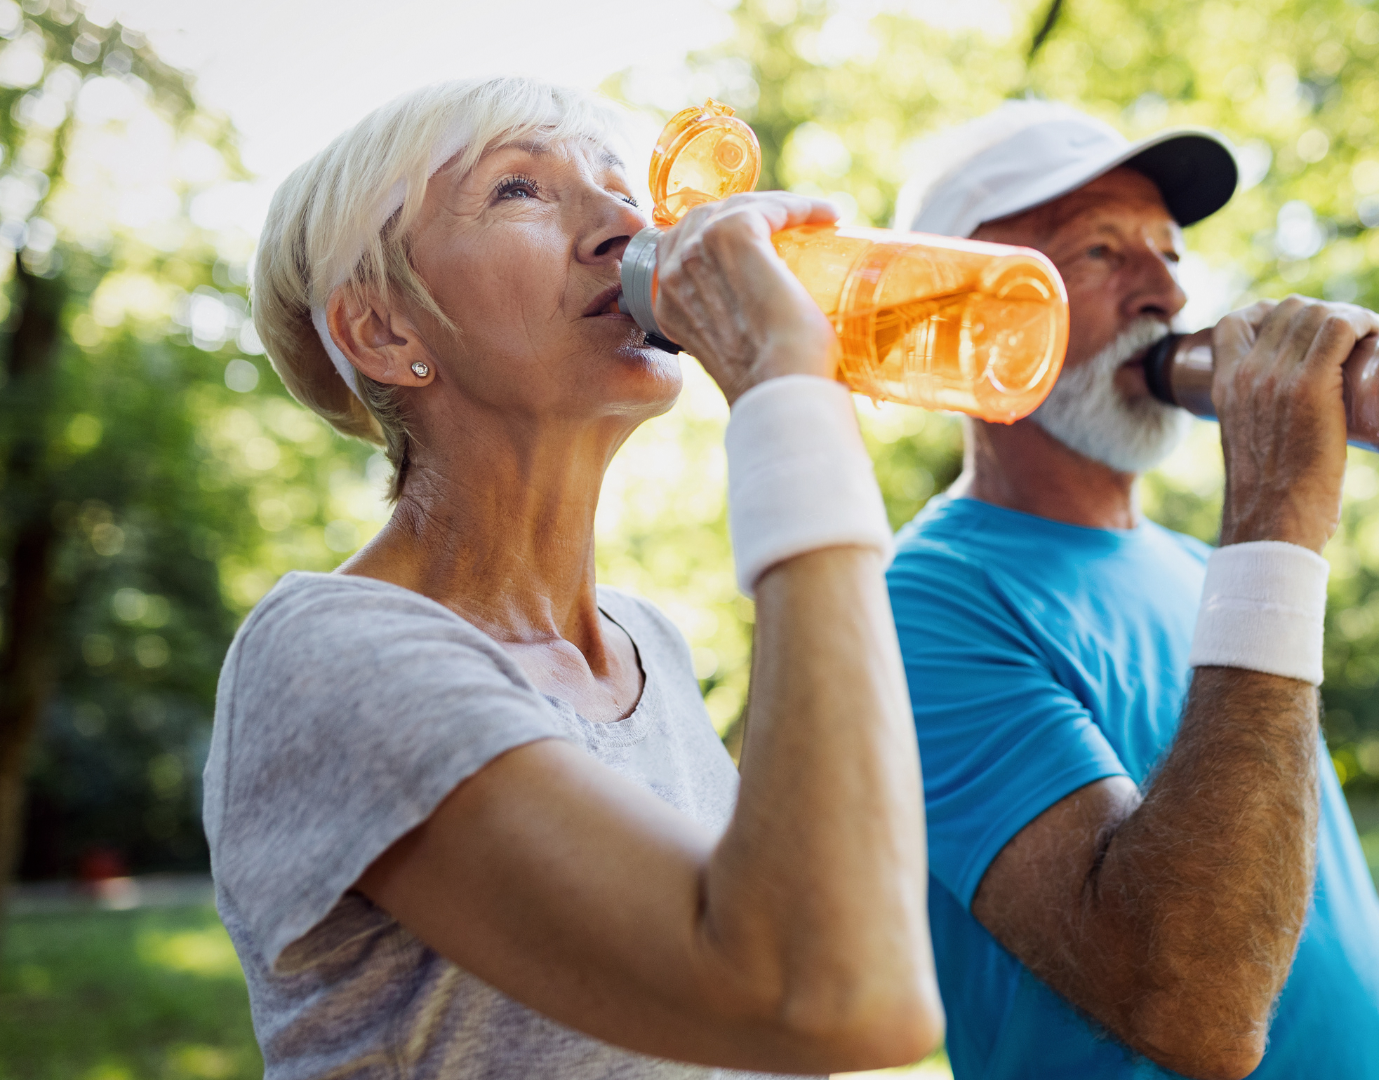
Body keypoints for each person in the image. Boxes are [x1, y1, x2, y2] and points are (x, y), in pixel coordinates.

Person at [207, 77, 943, 1079]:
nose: (624, 224)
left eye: (618, 185)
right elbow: (837, 995)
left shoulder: (652, 647)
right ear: (385, 332)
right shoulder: (330, 656)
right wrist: (788, 394)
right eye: (520, 190)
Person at [884, 101, 1379, 1080]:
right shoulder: (921, 603)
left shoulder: (1200, 569)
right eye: (1102, 251)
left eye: (1170, 250)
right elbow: (1191, 1007)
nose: (1166, 290)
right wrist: (1274, 524)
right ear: (961, 318)